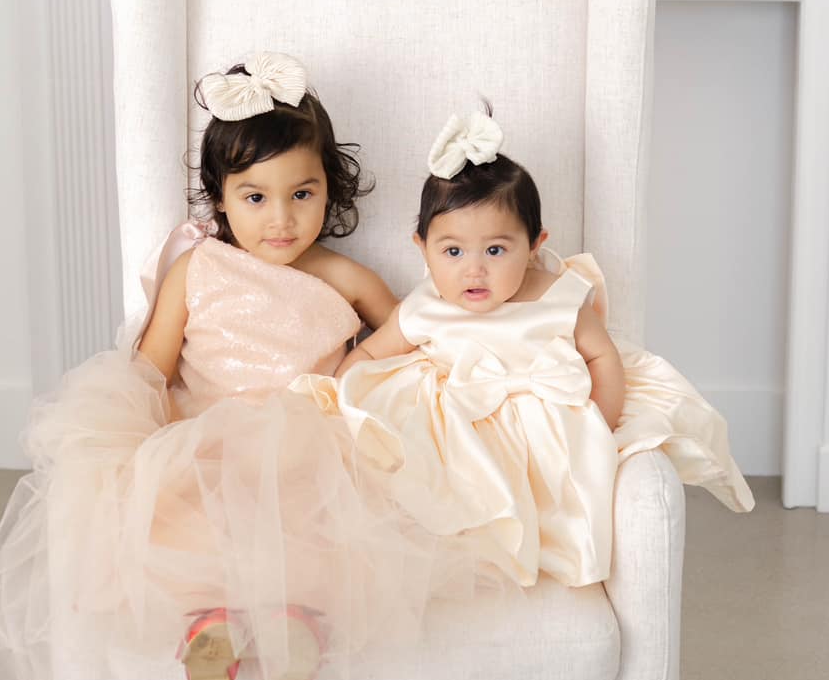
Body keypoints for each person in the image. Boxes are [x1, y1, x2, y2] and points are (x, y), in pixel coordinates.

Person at [0, 53, 465, 680]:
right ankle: (210, 628)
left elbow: (411, 337)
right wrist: (138, 434)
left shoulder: (345, 279)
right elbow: (150, 367)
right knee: (190, 524)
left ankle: (293, 630)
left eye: (301, 195)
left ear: (329, 190)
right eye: (255, 198)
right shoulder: (196, 268)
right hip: (205, 436)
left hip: (308, 439)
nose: (280, 220)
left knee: (313, 530)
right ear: (219, 197)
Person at [321, 111, 753, 589]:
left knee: (557, 501)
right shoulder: (424, 308)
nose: (474, 271)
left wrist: (600, 423)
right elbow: (369, 355)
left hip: (543, 431)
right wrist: (343, 393)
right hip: (459, 433)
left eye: (495, 250)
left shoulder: (557, 298)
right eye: (453, 252)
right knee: (428, 480)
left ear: (533, 246)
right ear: (422, 248)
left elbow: (603, 357)